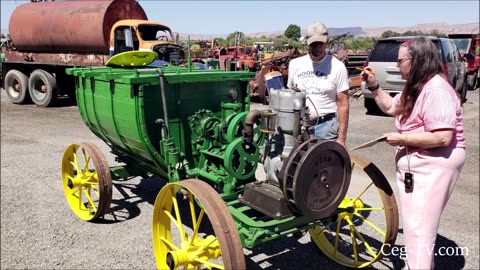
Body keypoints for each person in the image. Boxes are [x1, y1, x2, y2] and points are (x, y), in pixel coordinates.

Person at [361, 36, 466, 269]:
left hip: (433, 164)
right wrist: (373, 85)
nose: (397, 65)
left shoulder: (436, 89)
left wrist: (403, 138)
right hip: (421, 164)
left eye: (400, 61)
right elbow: (390, 107)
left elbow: (442, 137)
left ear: (417, 60)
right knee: (416, 225)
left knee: (419, 229)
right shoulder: (416, 86)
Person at [287, 22, 350, 147]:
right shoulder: (295, 65)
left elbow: (343, 104)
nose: (317, 47)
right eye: (313, 43)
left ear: (327, 42)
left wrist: (342, 139)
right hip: (299, 127)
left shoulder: (338, 67)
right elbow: (290, 97)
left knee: (324, 165)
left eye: (320, 43)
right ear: (307, 43)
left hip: (326, 128)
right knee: (297, 164)